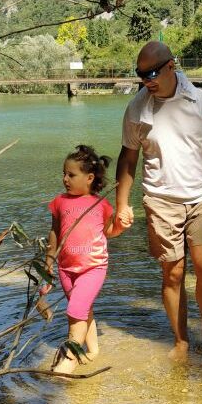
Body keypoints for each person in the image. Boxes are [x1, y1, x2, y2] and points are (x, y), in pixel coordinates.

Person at [115, 41, 202, 360]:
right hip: (160, 200)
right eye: (141, 75)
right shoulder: (137, 109)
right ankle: (181, 340)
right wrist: (122, 202)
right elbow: (128, 159)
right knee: (172, 273)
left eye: (152, 72)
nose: (147, 80)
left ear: (172, 66)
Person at [41, 144, 128, 374]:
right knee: (82, 308)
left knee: (75, 310)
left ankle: (68, 359)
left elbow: (109, 231)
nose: (65, 179)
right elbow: (54, 232)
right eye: (64, 173)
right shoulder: (59, 202)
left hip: (93, 267)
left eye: (71, 175)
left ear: (89, 178)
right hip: (66, 268)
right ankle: (93, 350)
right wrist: (48, 262)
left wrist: (122, 224)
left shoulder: (101, 204)